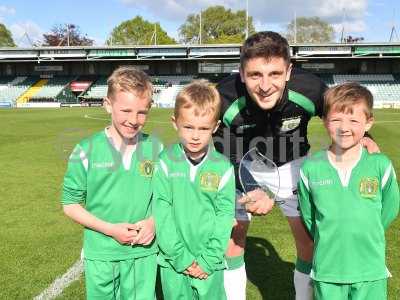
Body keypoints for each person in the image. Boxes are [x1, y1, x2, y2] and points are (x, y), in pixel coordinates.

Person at [214, 31, 379, 300]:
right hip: (244, 165)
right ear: (242, 73)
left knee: (309, 243)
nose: (265, 85)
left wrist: (367, 138)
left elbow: (340, 112)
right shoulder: (224, 96)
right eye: (255, 75)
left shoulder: (310, 89)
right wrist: (251, 188)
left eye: (275, 74)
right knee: (233, 240)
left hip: (294, 166)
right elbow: (223, 147)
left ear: (289, 71)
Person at [61, 66, 161, 299]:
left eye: (142, 112)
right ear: (108, 104)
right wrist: (109, 229)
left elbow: (166, 198)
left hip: (142, 254)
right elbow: (70, 204)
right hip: (102, 254)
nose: (133, 120)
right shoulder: (85, 150)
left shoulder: (156, 148)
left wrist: (153, 222)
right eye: (125, 110)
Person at [298, 82, 399, 299]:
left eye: (354, 120)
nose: (344, 128)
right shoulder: (311, 168)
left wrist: (365, 228)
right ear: (325, 121)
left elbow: (389, 209)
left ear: (368, 123)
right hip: (328, 268)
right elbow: (309, 216)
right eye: (336, 120)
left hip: (369, 269)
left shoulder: (380, 165)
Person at [153, 80, 236, 299]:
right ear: (175, 122)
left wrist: (208, 259)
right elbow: (162, 212)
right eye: (188, 127)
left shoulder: (223, 167)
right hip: (173, 263)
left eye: (204, 128)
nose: (195, 135)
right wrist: (181, 257)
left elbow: (224, 216)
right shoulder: (164, 162)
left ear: (215, 127)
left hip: (210, 264)